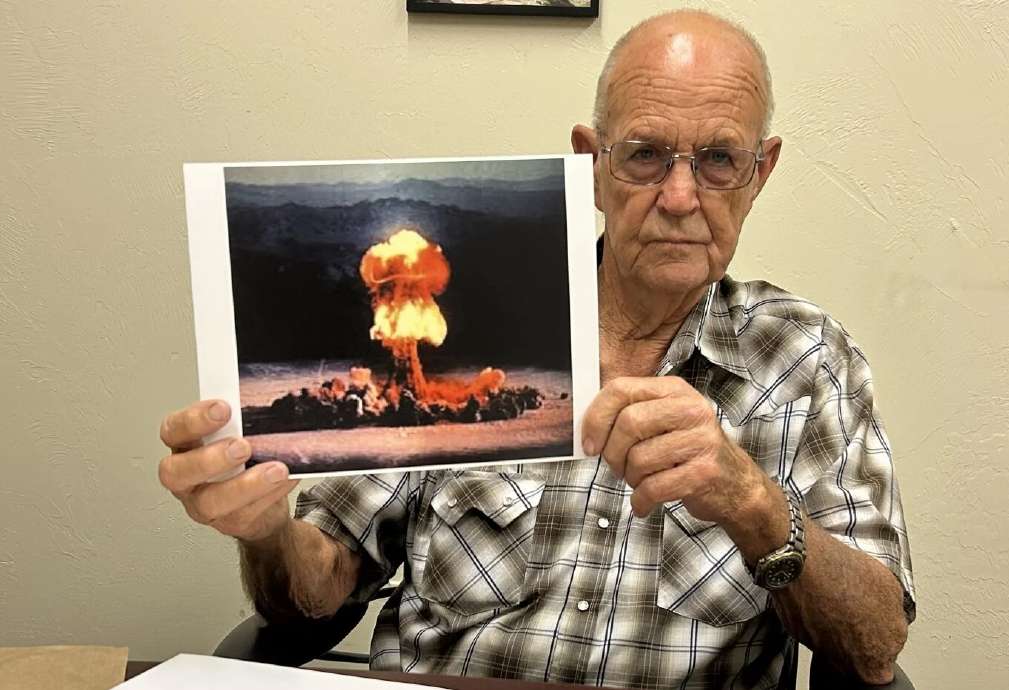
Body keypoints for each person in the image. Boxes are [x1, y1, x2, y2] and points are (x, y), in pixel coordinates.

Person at [157, 10, 915, 688]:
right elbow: (314, 588)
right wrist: (264, 534)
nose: (681, 198)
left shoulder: (807, 358)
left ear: (760, 173)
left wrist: (753, 504)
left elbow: (876, 646)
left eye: (719, 160)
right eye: (645, 155)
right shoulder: (472, 333)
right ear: (591, 164)